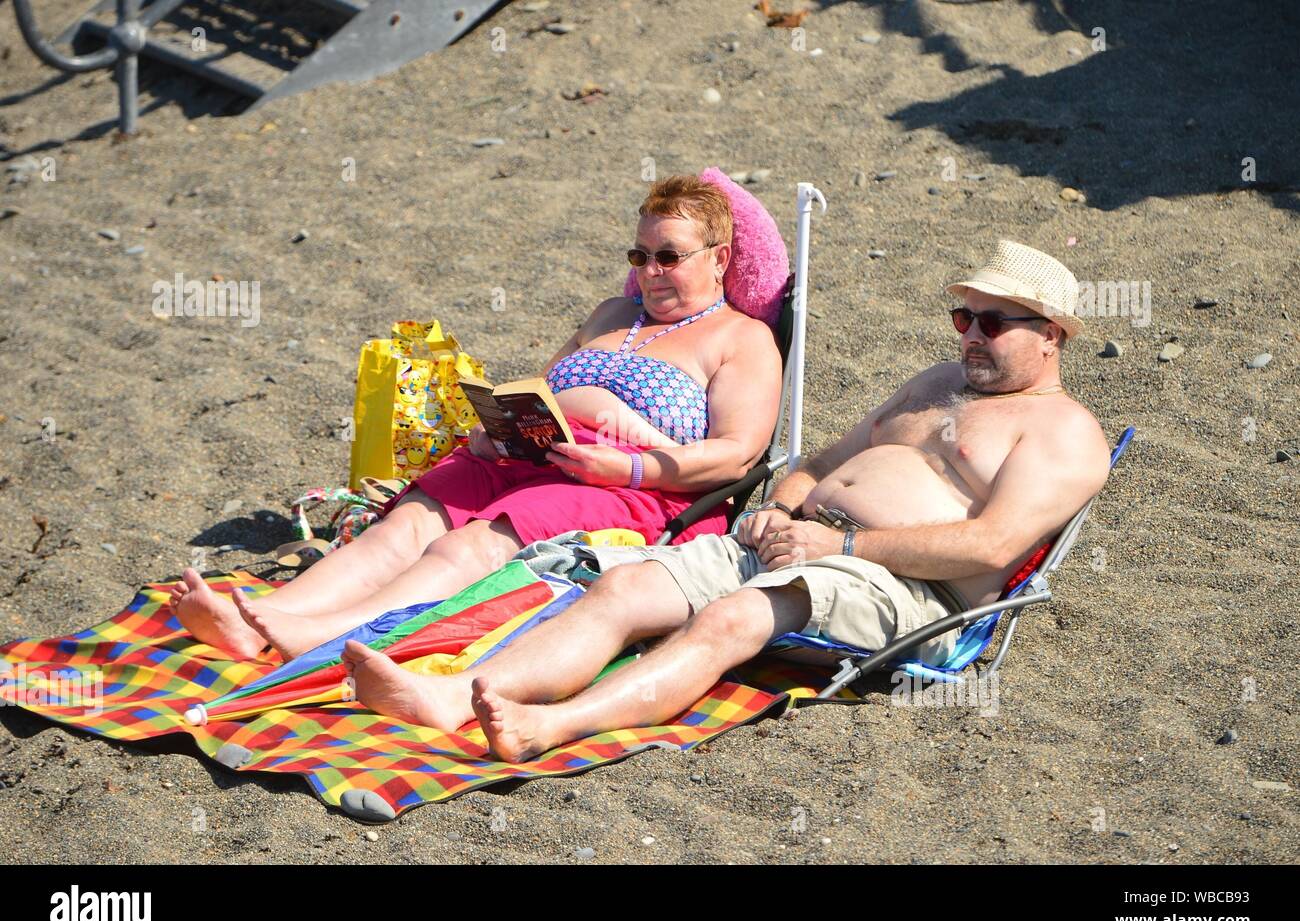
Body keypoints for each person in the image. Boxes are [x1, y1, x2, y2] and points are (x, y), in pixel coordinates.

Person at [337, 240, 1115, 761]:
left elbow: (988, 547)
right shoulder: (935, 384)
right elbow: (822, 460)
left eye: (994, 322)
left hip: (902, 584)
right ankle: (451, 699)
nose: (970, 335)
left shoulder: (1064, 433)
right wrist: (787, 503)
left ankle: (553, 724)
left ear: (1053, 334)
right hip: (801, 541)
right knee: (625, 584)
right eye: (962, 316)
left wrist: (842, 548)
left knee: (733, 616)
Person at [168, 175, 783, 659]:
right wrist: (496, 429)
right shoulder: (610, 313)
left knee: (466, 545)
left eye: (668, 257)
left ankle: (319, 634)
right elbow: (540, 387)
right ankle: (264, 619)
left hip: (636, 489)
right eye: (639, 254)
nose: (649, 272)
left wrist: (625, 468)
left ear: (720, 258)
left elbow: (737, 455)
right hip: (532, 452)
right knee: (403, 527)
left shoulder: (741, 339)